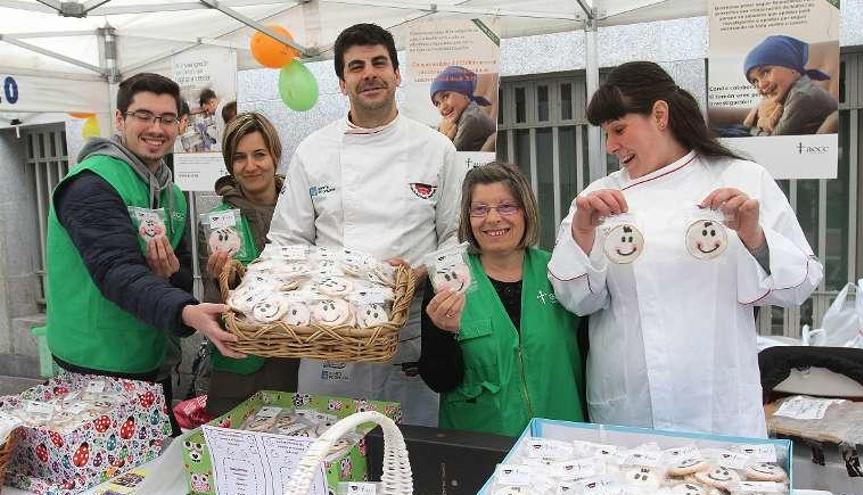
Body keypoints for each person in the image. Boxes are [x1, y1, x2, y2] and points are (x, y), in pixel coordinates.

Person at [549, 61, 823, 438]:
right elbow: (576, 300)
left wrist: (753, 237)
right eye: (605, 134)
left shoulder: (740, 179)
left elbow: (799, 286)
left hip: (716, 403)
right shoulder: (598, 200)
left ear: (659, 115)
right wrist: (581, 231)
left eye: (618, 129)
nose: (611, 146)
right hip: (631, 405)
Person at [267, 23, 465, 426]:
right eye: (356, 67)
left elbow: (456, 238)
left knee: (406, 460)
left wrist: (420, 274)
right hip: (329, 334)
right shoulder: (313, 151)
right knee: (327, 453)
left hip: (408, 332)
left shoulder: (436, 149)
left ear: (397, 74)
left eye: (379, 62)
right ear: (342, 83)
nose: (369, 73)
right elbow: (287, 244)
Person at [46, 73, 243, 436]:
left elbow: (181, 272)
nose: (156, 128)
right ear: (120, 119)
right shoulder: (91, 185)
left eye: (167, 119)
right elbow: (116, 272)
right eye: (144, 116)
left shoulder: (170, 191)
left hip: (152, 362)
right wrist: (187, 311)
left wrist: (173, 278)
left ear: (181, 124)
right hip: (95, 367)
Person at [418, 162, 583, 437]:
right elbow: (439, 379)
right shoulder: (447, 281)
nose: (492, 219)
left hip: (562, 444)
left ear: (526, 211)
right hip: (481, 446)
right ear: (467, 218)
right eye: (479, 209)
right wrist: (443, 332)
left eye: (507, 206)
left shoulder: (560, 272)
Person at [199, 112, 299, 416]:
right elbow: (214, 307)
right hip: (239, 368)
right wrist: (219, 280)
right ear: (230, 165)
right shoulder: (220, 222)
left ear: (275, 156)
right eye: (240, 157)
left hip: (294, 362)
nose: (251, 165)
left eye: (259, 154)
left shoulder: (300, 209)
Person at [742, 35, 838, 136]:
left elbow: (776, 140)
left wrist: (755, 130)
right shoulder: (789, 92)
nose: (761, 85)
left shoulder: (801, 97)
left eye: (766, 72)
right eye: (755, 81)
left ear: (792, 68)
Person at [431, 65, 496, 152]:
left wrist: (444, 137)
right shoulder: (459, 115)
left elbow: (449, 157)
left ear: (464, 93)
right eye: (437, 103)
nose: (443, 107)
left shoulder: (471, 119)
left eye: (446, 96)